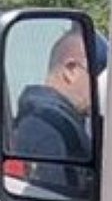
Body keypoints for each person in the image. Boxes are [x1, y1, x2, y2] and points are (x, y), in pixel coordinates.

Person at [12, 28, 106, 161]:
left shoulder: (43, 120)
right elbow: (49, 182)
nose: (102, 88)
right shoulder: (52, 128)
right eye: (99, 76)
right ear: (71, 70)